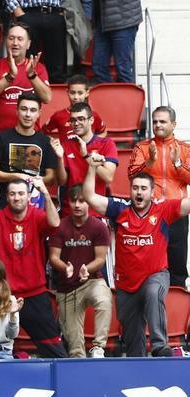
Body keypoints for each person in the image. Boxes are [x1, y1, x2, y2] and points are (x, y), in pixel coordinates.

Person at [84, 160, 190, 358]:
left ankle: (159, 346)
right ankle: (139, 367)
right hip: (126, 284)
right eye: (135, 188)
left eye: (143, 189)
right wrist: (90, 168)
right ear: (130, 191)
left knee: (153, 293)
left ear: (152, 192)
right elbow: (89, 196)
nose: (139, 193)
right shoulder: (119, 209)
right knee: (133, 342)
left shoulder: (163, 210)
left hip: (155, 275)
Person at [0, 180, 66, 357]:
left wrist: (46, 194)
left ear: (29, 197)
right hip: (4, 294)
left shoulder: (36, 215)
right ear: (7, 197)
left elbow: (54, 224)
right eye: (13, 194)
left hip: (35, 292)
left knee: (53, 349)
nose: (17, 198)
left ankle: (63, 383)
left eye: (21, 194)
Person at [128, 107, 190, 287]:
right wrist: (150, 162)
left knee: (177, 268)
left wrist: (178, 164)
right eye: (155, 121)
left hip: (177, 213)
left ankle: (178, 310)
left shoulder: (184, 149)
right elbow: (132, 176)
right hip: (150, 214)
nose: (157, 125)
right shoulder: (143, 147)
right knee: (148, 268)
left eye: (162, 121)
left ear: (173, 124)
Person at [47, 186, 110, 358]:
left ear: (88, 202)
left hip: (92, 280)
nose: (77, 205)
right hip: (67, 287)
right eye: (73, 200)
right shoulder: (60, 226)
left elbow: (100, 259)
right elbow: (54, 257)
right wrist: (64, 267)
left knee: (104, 300)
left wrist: (86, 269)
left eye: (81, 200)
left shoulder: (99, 227)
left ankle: (98, 347)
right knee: (75, 348)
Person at [0, 21, 51, 143]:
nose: (15, 43)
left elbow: (47, 98)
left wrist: (32, 76)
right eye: (11, 38)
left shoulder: (38, 68)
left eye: (20, 39)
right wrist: (9, 77)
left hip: (30, 140)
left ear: (28, 44)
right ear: (6, 41)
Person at [0, 92, 61, 203]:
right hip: (5, 203)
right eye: (24, 109)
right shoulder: (1, 138)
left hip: (35, 204)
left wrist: (31, 180)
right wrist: (16, 176)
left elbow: (51, 179)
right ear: (17, 110)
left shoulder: (46, 141)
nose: (28, 114)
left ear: (39, 113)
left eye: (33, 110)